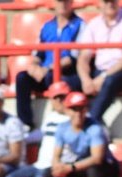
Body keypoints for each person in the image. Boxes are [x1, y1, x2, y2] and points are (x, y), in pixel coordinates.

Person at [39, 91, 119, 177]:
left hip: (105, 167)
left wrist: (70, 168)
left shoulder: (95, 128)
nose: (78, 113)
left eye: (81, 109)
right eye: (74, 109)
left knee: (94, 171)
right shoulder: (62, 128)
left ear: (86, 110)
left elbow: (97, 158)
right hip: (80, 166)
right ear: (67, 110)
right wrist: (57, 167)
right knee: (48, 174)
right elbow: (56, 155)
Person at [14, 0, 83, 131]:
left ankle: (64, 120)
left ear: (71, 3)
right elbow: (39, 53)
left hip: (67, 73)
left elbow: (73, 58)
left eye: (66, 1)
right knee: (22, 78)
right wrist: (34, 66)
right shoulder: (47, 26)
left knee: (56, 79)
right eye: (59, 1)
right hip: (46, 72)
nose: (63, 5)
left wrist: (48, 68)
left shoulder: (80, 25)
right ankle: (25, 123)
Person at [74, 0, 122, 123]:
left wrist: (103, 77)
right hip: (101, 72)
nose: (110, 4)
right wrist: (86, 80)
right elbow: (83, 57)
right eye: (106, 1)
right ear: (100, 3)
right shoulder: (94, 24)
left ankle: (91, 121)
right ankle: (66, 122)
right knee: (70, 81)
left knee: (110, 81)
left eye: (113, 1)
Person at [6, 80, 72, 177]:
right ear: (51, 100)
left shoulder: (76, 117)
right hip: (39, 165)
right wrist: (20, 138)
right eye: (56, 97)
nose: (60, 101)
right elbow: (40, 134)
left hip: (56, 166)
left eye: (63, 97)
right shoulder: (51, 117)